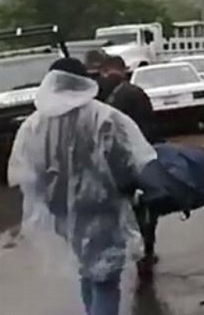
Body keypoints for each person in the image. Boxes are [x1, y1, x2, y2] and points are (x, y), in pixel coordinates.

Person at [7, 58, 157, 315]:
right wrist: (127, 188)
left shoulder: (33, 124)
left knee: (88, 270)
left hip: (62, 210)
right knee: (105, 280)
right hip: (103, 206)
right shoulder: (105, 117)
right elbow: (127, 160)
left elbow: (26, 172)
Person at [98, 55, 163, 281]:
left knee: (124, 209)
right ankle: (146, 251)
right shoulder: (135, 93)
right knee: (146, 207)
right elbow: (151, 126)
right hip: (140, 158)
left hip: (115, 162)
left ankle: (131, 252)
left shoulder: (103, 96)